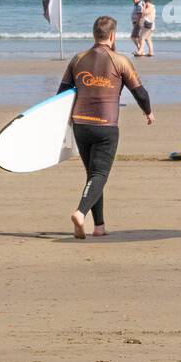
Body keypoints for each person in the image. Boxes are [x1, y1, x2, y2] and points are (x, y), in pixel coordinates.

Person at [57, 15, 154, 238]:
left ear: (94, 35)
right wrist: (148, 111)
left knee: (93, 175)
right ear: (112, 35)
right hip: (106, 127)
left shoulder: (77, 59)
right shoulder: (120, 61)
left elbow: (61, 95)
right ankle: (81, 213)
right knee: (99, 174)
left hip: (80, 124)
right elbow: (140, 92)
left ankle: (99, 226)